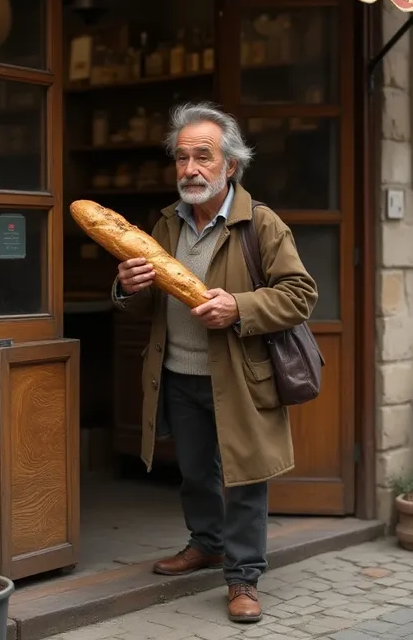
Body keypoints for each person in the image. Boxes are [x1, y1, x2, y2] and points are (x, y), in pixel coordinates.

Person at [112, 102, 318, 623]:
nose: (190, 169)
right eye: (181, 158)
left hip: (242, 378)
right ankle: (206, 543)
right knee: (197, 473)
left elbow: (300, 294)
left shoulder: (260, 223)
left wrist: (238, 307)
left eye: (203, 156)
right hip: (179, 373)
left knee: (245, 477)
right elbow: (147, 298)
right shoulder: (164, 224)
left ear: (231, 165)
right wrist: (126, 287)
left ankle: (244, 577)